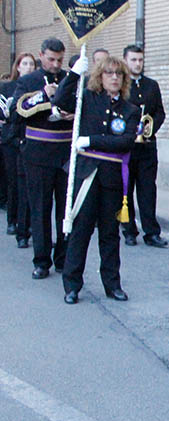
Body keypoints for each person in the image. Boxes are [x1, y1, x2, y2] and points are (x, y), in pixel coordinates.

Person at [54, 54, 139, 304]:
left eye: (118, 74)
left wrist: (92, 141)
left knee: (110, 234)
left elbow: (124, 142)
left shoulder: (129, 109)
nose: (114, 77)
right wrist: (72, 75)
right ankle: (72, 285)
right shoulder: (87, 99)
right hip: (87, 175)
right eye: (108, 73)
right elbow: (60, 101)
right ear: (99, 77)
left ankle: (112, 285)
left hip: (112, 178)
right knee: (80, 232)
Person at [13, 37, 72, 279]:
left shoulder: (71, 79)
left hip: (66, 152)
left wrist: (72, 113)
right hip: (37, 154)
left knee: (65, 211)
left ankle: (62, 258)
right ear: (41, 56)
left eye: (59, 60)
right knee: (40, 208)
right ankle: (41, 260)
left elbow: (85, 104)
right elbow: (17, 110)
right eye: (51, 59)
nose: (56, 64)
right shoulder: (29, 80)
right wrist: (42, 95)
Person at [121, 44, 168, 248]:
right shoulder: (120, 84)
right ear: (125, 60)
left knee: (148, 190)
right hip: (127, 147)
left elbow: (159, 112)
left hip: (148, 147)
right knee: (126, 190)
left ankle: (152, 232)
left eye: (140, 60)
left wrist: (149, 129)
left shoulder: (151, 85)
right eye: (133, 60)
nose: (138, 64)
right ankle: (129, 230)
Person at [0, 53, 35, 244]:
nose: (28, 67)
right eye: (25, 64)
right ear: (18, 67)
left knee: (28, 186)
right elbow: (5, 112)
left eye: (31, 64)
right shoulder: (8, 87)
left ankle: (27, 224)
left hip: (28, 139)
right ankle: (12, 220)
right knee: (13, 182)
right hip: (10, 140)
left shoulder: (36, 86)